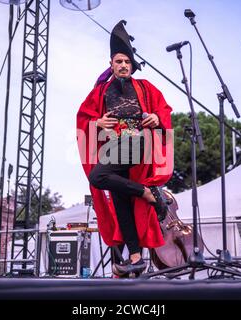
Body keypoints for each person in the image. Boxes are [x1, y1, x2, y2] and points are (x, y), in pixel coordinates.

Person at [76, 20, 173, 277]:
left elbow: (164, 111)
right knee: (120, 200)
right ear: (111, 65)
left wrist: (157, 118)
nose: (123, 65)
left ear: (132, 65)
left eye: (127, 62)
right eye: (118, 61)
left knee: (99, 177)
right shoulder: (100, 92)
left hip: (139, 142)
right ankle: (135, 256)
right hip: (114, 148)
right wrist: (97, 122)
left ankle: (148, 193)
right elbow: (83, 118)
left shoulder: (145, 87)